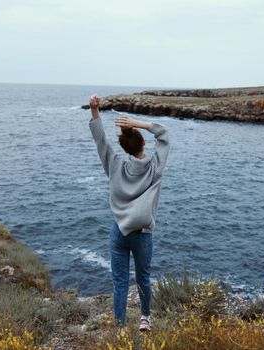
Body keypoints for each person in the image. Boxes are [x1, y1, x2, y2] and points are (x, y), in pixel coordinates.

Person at [87, 94, 170, 331]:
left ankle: (119, 324)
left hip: (119, 231)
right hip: (142, 233)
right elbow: (164, 134)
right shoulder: (155, 167)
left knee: (120, 282)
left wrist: (95, 111)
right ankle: (145, 319)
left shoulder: (115, 165)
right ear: (143, 144)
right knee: (143, 278)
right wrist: (136, 123)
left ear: (124, 148)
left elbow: (101, 140)